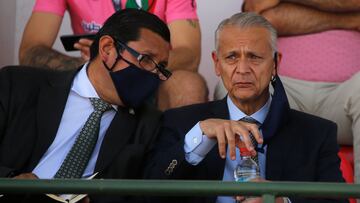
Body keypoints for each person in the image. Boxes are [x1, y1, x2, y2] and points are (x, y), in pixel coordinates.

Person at [146, 12, 346, 203]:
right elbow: (148, 194)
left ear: (275, 64)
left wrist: (280, 201)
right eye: (231, 57)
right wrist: (198, 138)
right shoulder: (182, 123)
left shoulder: (317, 133)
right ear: (217, 63)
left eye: (254, 57)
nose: (242, 70)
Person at [0, 8, 171, 203]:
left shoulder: (148, 124)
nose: (153, 73)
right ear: (107, 48)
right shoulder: (18, 84)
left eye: (161, 67)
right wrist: (12, 181)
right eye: (146, 59)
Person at [214, 0, 360, 185]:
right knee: (237, 83)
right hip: (281, 90)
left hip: (347, 95)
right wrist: (351, 18)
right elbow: (263, 14)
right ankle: (246, 191)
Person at [18, 0, 208, 111]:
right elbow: (30, 50)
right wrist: (95, 63)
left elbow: (189, 55)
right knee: (20, 79)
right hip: (92, 75)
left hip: (151, 77)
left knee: (188, 84)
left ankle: (176, 171)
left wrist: (134, 64)